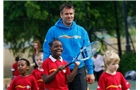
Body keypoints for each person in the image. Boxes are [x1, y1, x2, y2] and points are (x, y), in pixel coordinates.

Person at [43, 2, 95, 90]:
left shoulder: (82, 31)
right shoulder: (52, 31)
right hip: (60, 70)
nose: (69, 16)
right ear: (61, 15)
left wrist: (90, 71)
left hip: (79, 69)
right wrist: (46, 69)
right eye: (66, 14)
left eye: (71, 13)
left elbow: (87, 52)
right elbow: (47, 51)